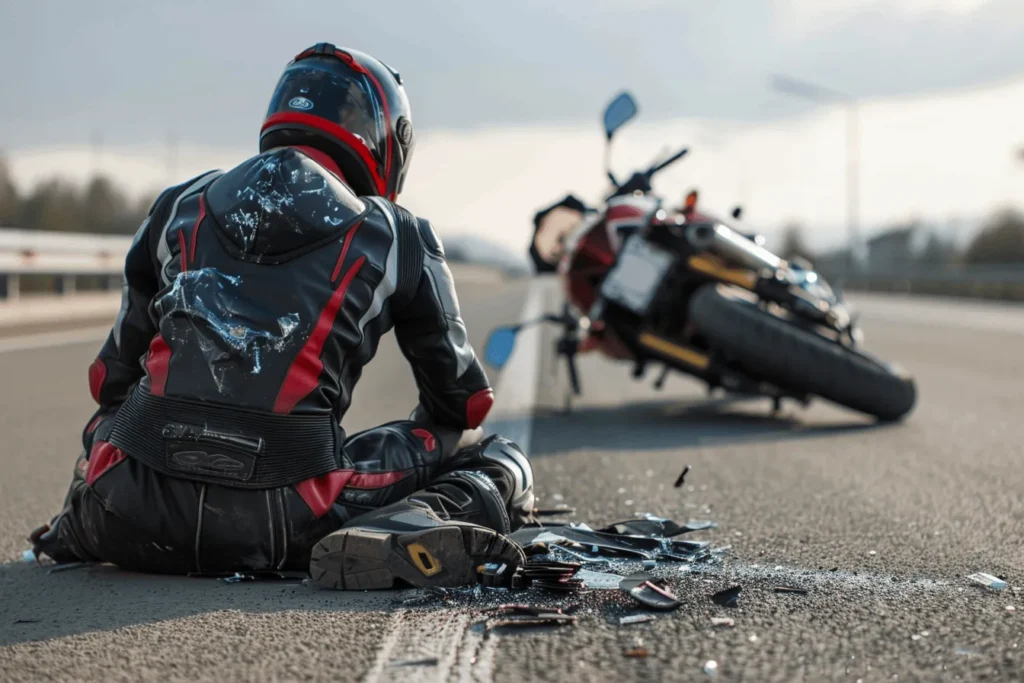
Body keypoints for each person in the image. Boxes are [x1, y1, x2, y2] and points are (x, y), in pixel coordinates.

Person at [29, 42, 535, 591]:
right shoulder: (398, 234)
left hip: (120, 511)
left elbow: (107, 379)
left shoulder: (179, 204)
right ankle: (409, 523)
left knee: (114, 421)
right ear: (385, 137)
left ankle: (69, 527)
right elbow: (465, 402)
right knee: (491, 451)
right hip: (283, 521)